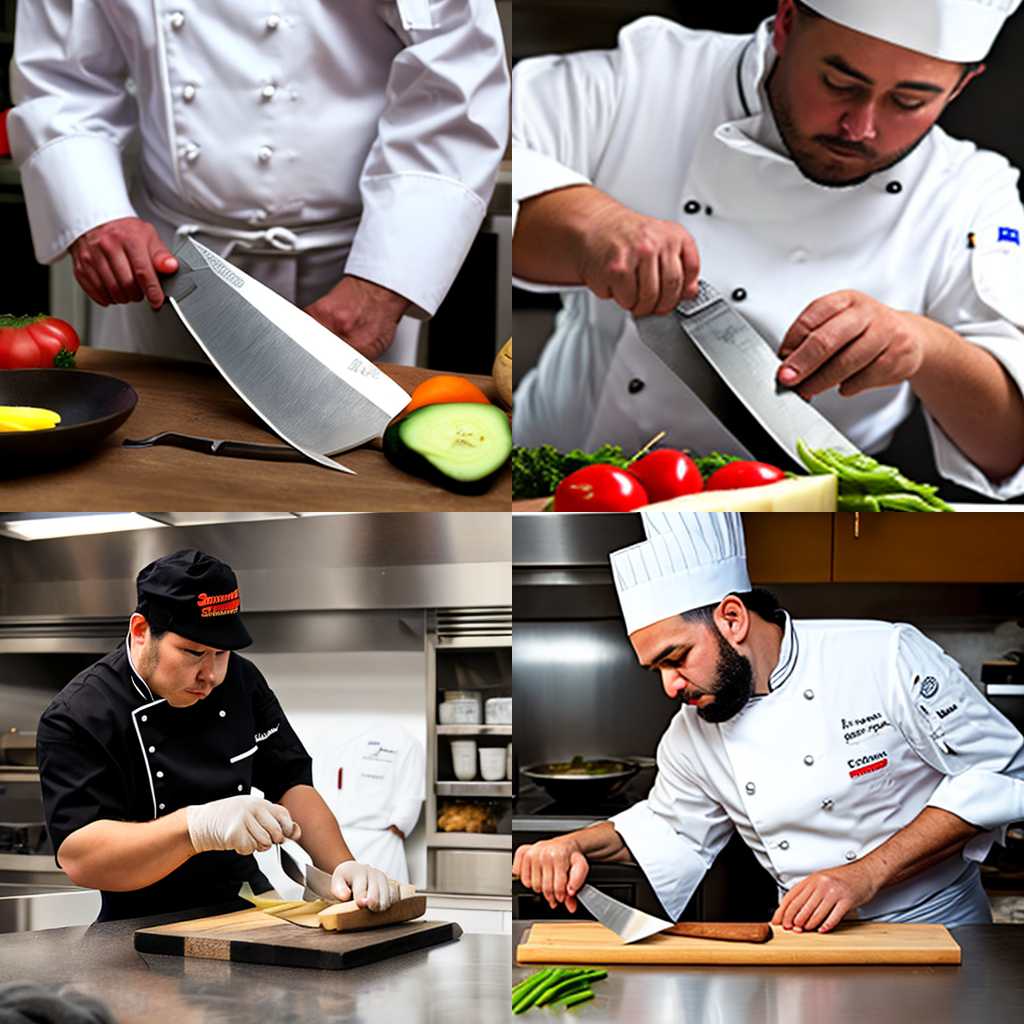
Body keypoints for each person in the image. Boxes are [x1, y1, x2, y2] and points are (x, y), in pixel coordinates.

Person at [512, 0, 1024, 500]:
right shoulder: (653, 77)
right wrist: (594, 225)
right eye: (839, 84)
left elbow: (1008, 446)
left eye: (909, 102)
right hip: (562, 495)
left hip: (808, 537)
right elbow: (470, 168)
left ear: (962, 86)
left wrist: (926, 348)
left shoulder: (968, 191)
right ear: (785, 24)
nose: (860, 126)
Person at [513, 511, 1024, 931]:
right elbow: (669, 826)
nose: (669, 686)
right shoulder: (691, 729)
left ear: (732, 618)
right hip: (804, 937)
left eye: (676, 657)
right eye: (656, 669)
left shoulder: (883, 654)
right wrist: (573, 843)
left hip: (939, 928)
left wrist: (863, 875)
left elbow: (997, 772)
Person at [10, 1, 509, 365]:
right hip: (167, 275)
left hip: (352, 278)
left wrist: (384, 284)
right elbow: (62, 76)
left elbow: (455, 80)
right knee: (155, 474)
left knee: (351, 490)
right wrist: (94, 213)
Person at [36, 548, 399, 922]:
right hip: (140, 922)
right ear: (141, 631)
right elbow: (80, 857)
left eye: (221, 653)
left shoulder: (241, 680)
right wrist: (196, 828)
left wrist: (343, 866)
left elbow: (290, 781)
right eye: (193, 653)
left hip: (247, 903)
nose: (210, 675)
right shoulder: (78, 715)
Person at [324, 722, 425, 883]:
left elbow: (409, 806)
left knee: (383, 900)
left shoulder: (407, 743)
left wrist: (394, 830)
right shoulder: (337, 740)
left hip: (384, 849)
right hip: (341, 841)